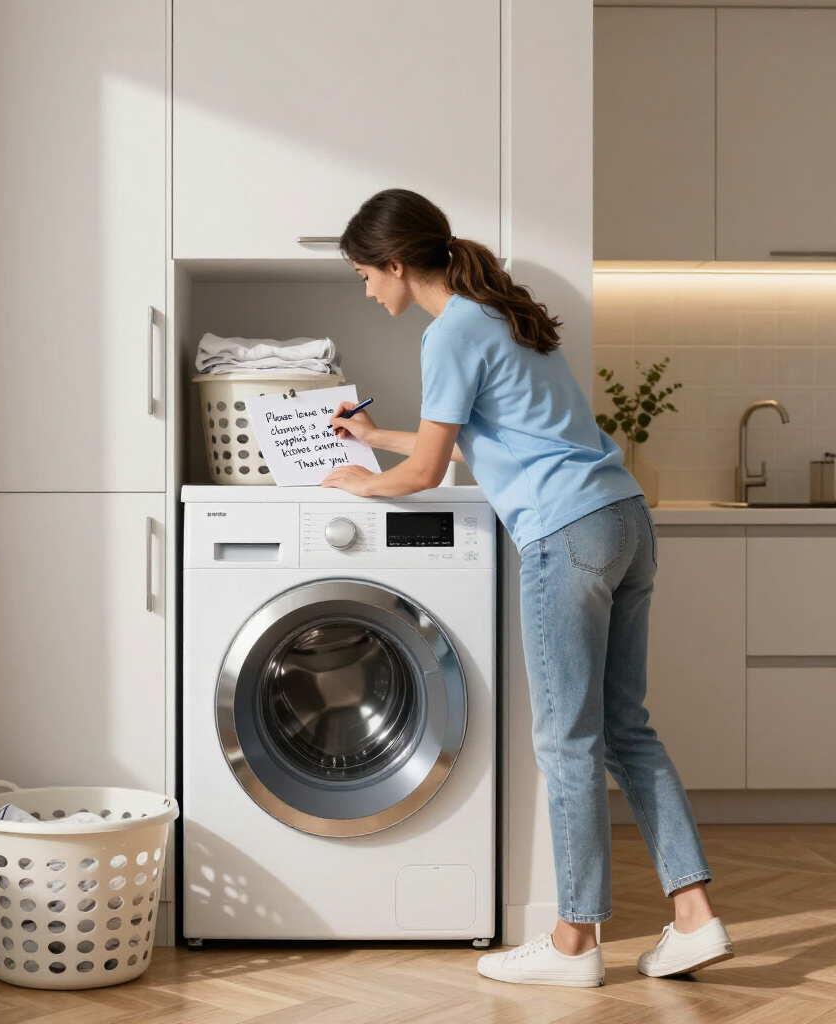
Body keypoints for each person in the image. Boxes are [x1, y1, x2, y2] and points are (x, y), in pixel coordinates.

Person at [322, 189, 735, 988]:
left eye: (365, 274)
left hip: (565, 535)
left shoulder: (448, 335)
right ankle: (694, 917)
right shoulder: (499, 313)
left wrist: (359, 484)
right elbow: (490, 439)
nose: (367, 289)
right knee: (625, 729)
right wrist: (376, 438)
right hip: (622, 520)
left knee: (566, 740)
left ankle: (575, 942)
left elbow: (428, 471)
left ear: (397, 265)